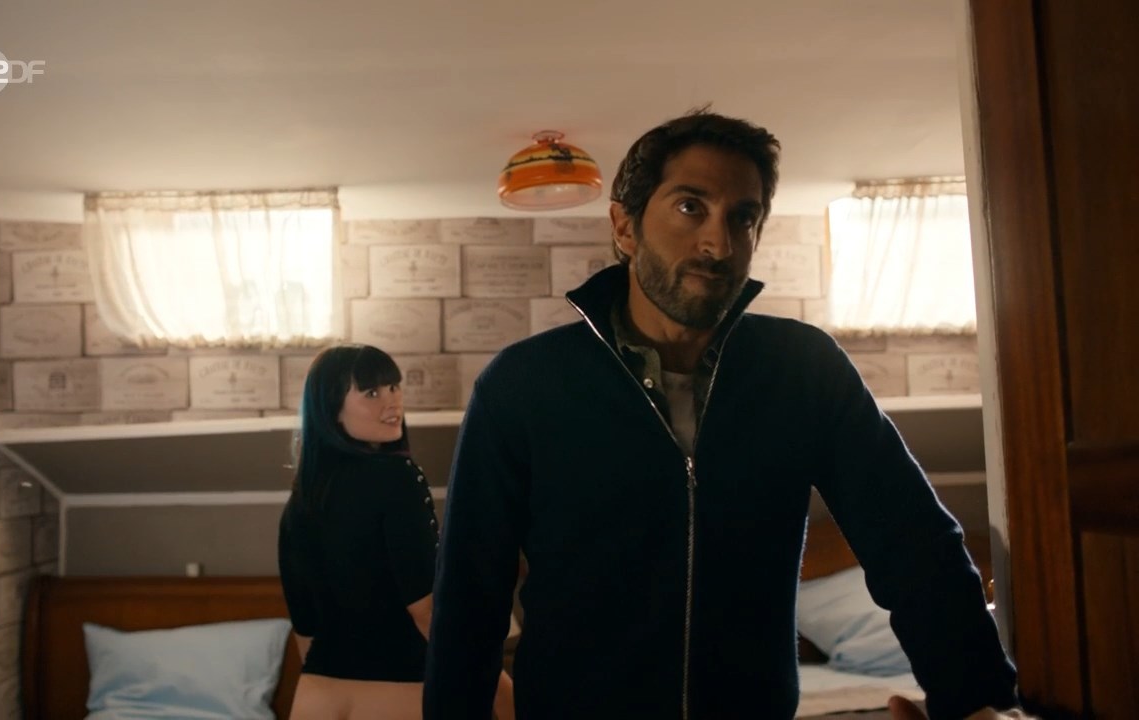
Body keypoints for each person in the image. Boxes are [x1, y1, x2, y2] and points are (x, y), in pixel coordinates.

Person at [424, 109, 1028, 719]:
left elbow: (914, 543)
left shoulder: (803, 369)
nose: (719, 244)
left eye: (743, 217)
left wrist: (978, 702)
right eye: (691, 207)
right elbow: (470, 596)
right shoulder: (524, 384)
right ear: (625, 227)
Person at [278, 344, 515, 720]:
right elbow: (427, 610)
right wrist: (498, 687)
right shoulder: (397, 478)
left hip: (316, 697)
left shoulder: (299, 503)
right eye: (372, 393)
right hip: (399, 690)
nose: (392, 402)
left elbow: (304, 629)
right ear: (332, 408)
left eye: (393, 386)